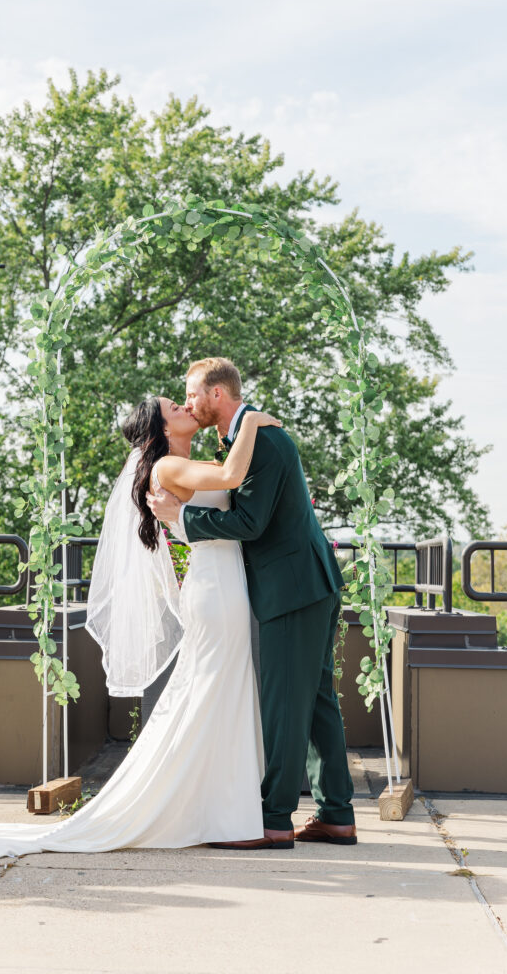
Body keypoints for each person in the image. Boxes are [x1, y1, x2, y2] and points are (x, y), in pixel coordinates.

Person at [0, 397, 280, 861]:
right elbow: (231, 479)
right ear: (159, 427)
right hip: (215, 591)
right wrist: (254, 421)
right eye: (173, 405)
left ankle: (223, 811)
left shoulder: (187, 461)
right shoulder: (170, 467)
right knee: (217, 691)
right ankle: (225, 816)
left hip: (223, 584)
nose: (183, 404)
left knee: (219, 692)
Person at [148, 357, 356, 850]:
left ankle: (273, 819)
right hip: (307, 584)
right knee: (318, 700)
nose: (189, 403)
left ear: (217, 395)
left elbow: (250, 524)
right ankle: (336, 814)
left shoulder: (258, 438)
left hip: (293, 589)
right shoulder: (245, 437)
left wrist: (182, 521)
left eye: (192, 394)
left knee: (285, 703)